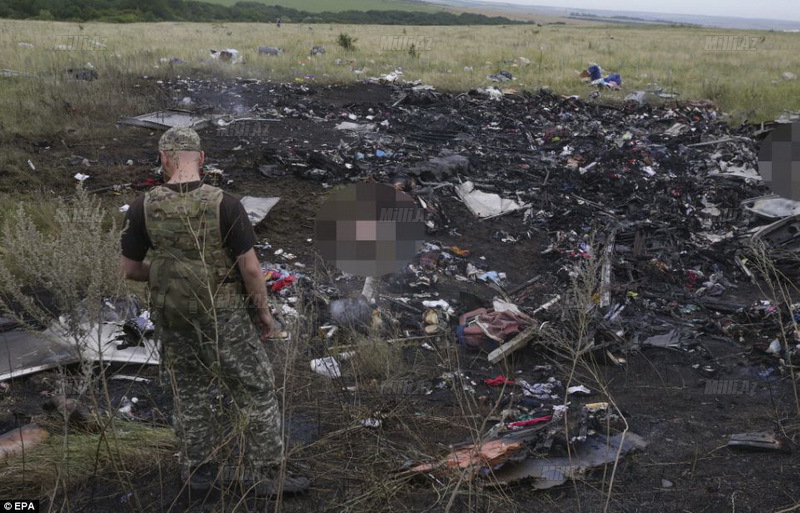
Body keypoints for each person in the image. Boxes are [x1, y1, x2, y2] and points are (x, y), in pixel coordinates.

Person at [119, 127, 309, 496]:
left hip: (173, 315)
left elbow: (129, 269)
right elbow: (251, 270)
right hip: (224, 316)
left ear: (163, 159)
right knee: (254, 388)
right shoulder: (226, 203)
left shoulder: (144, 205)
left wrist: (167, 275)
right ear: (201, 159)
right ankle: (269, 472)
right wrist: (263, 314)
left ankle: (198, 471)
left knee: (190, 391)